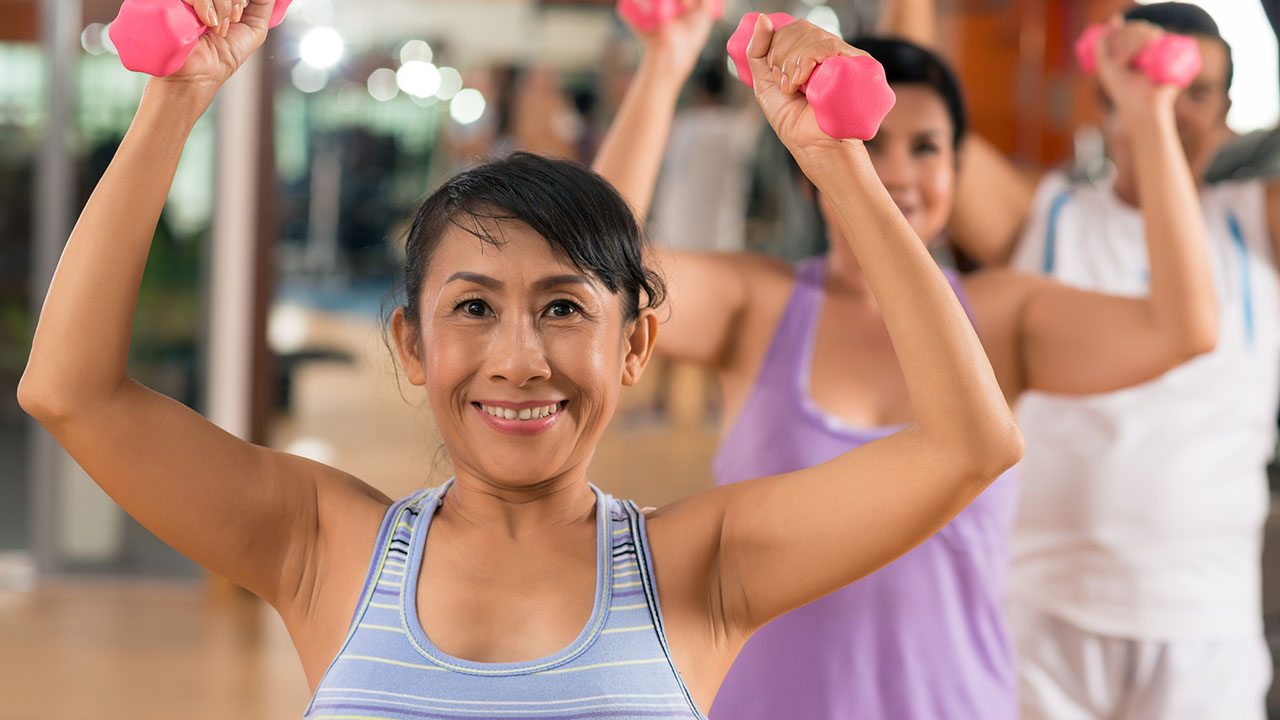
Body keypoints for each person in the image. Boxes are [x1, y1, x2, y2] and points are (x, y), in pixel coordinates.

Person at [15, 2, 1023, 717]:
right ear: (411, 345)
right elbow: (70, 392)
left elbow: (966, 446)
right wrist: (172, 104)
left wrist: (837, 165)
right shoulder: (322, 545)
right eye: (471, 307)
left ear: (634, 346)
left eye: (561, 309)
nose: (519, 357)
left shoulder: (700, 567)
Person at [592, 3, 1220, 718]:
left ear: (956, 173)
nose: (894, 170)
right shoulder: (758, 308)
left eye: (927, 147)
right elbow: (593, 278)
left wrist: (1149, 117)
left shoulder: (1002, 317)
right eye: (873, 142)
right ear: (808, 167)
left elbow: (1185, 329)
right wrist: (664, 62)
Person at [887, 0, 1280, 716]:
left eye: (1198, 92)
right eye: (1159, 84)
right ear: (1103, 101)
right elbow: (915, 106)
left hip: (1206, 629)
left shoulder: (1258, 224)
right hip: (1042, 613)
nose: (1176, 108)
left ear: (1226, 110)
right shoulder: (1047, 214)